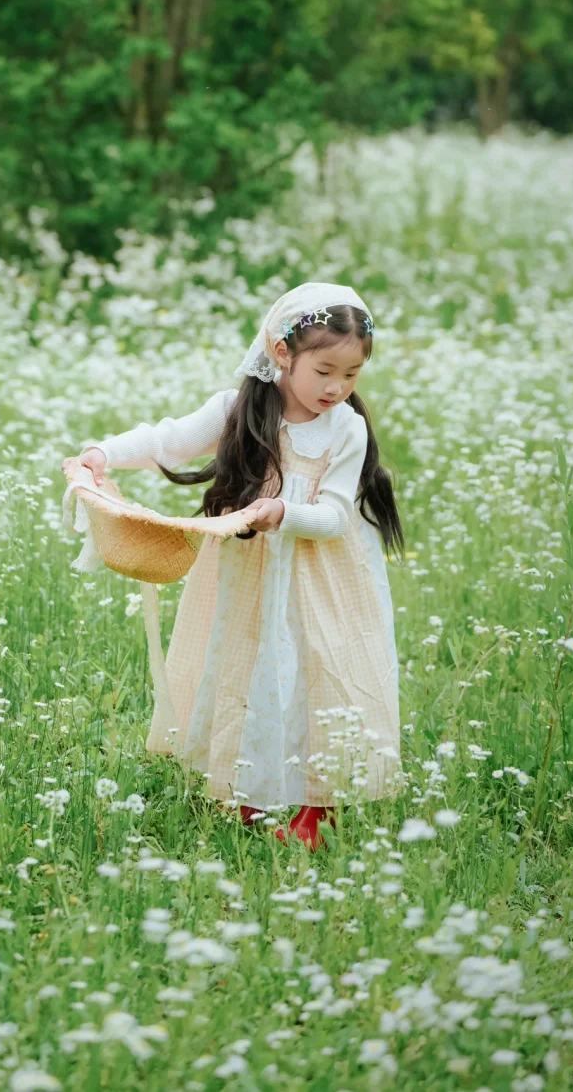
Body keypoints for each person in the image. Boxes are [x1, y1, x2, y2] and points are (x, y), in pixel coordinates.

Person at [73, 282, 402, 851]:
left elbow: (333, 517)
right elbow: (168, 441)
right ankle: (247, 790)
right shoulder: (238, 410)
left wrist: (282, 511)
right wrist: (104, 453)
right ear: (282, 352)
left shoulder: (345, 428)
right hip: (248, 573)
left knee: (315, 674)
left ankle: (313, 805)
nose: (337, 387)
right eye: (325, 370)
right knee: (245, 667)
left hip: (321, 576)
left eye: (351, 375)